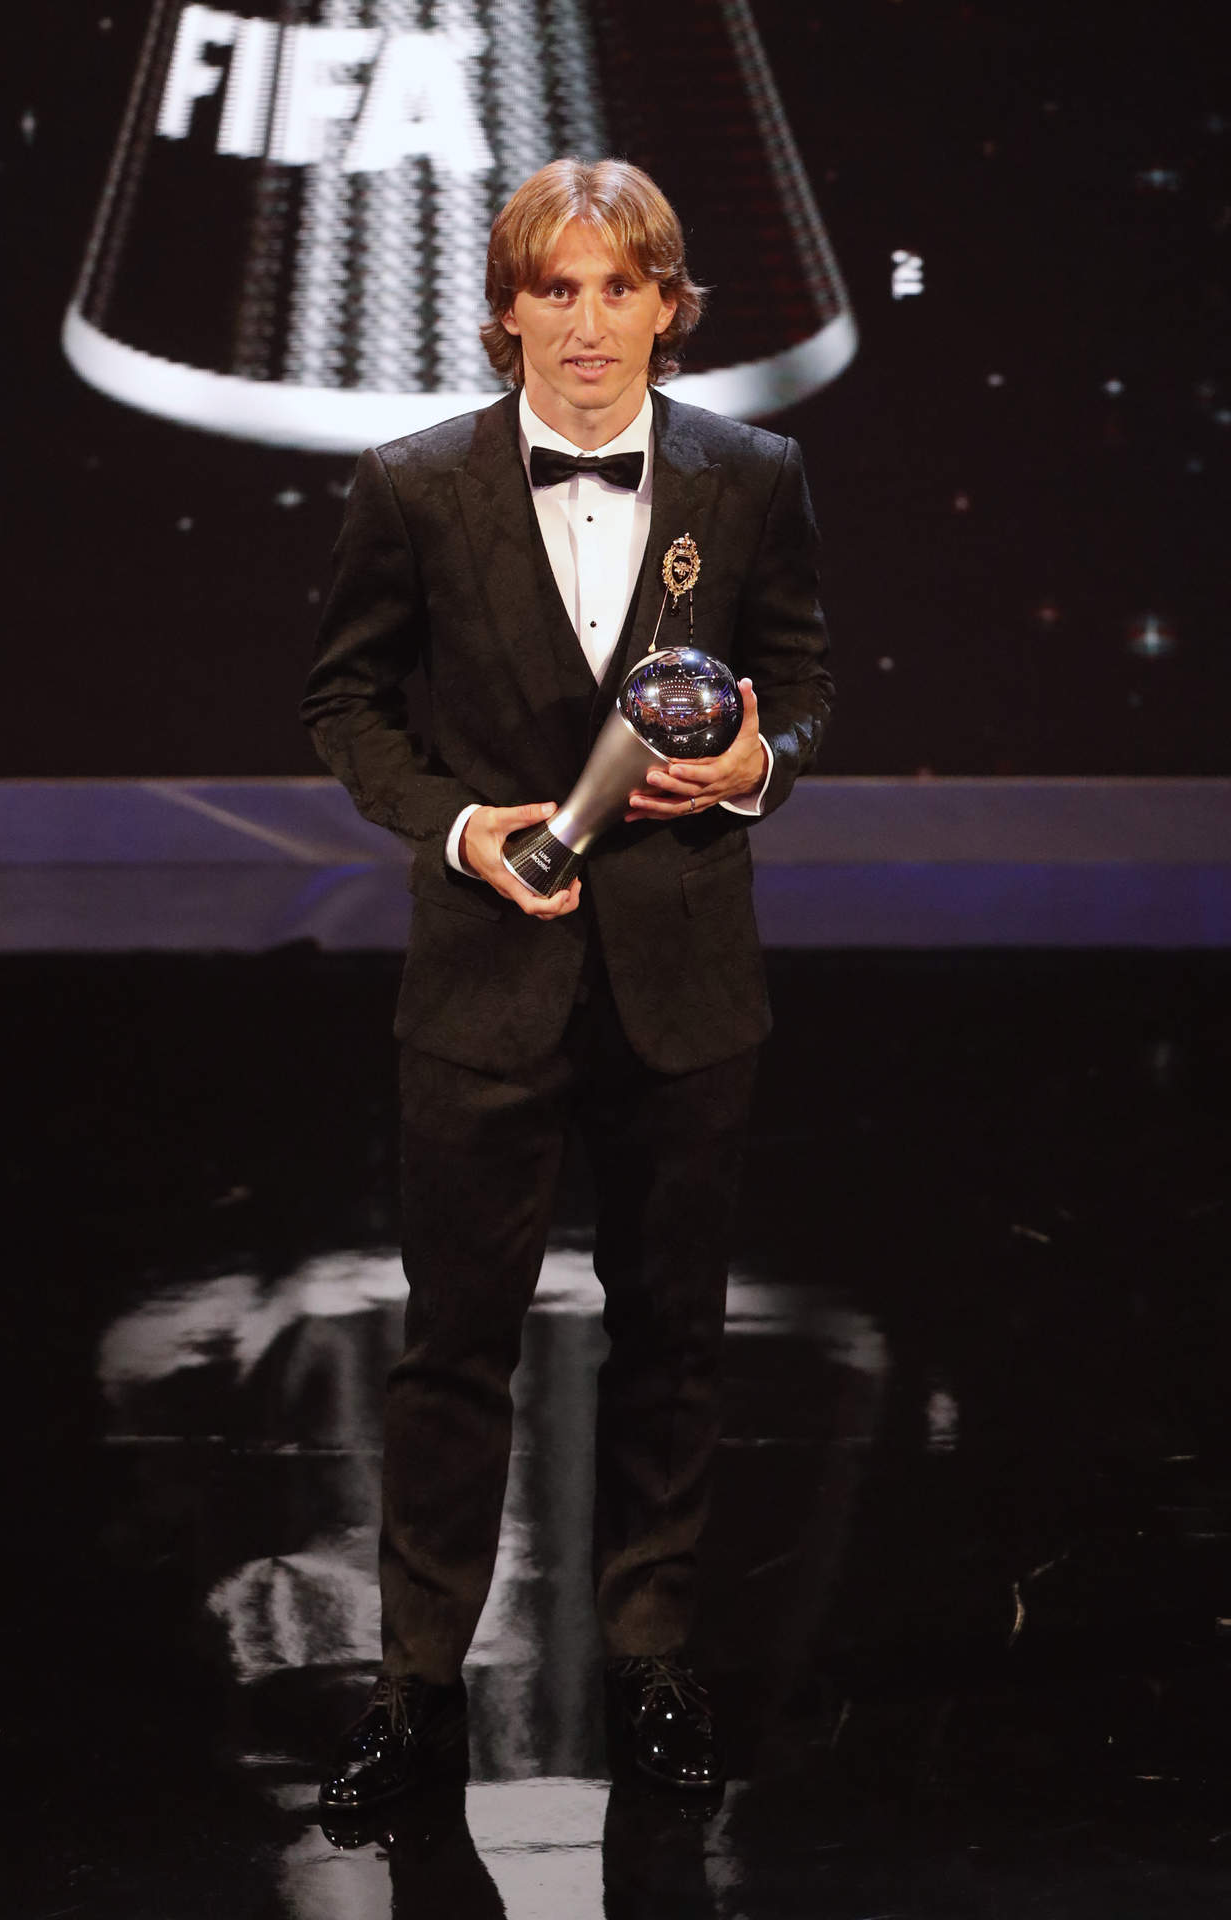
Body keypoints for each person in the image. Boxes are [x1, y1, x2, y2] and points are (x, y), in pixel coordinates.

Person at [302, 157, 832, 1805]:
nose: (588, 323)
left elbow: (802, 681)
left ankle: (651, 1664)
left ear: (668, 309)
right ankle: (414, 1692)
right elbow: (346, 705)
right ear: (509, 310)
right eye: (557, 289)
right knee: (452, 1346)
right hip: (485, 983)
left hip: (687, 983)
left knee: (672, 1339)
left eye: (620, 289)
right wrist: (460, 829)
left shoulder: (752, 475)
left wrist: (755, 766)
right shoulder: (412, 486)